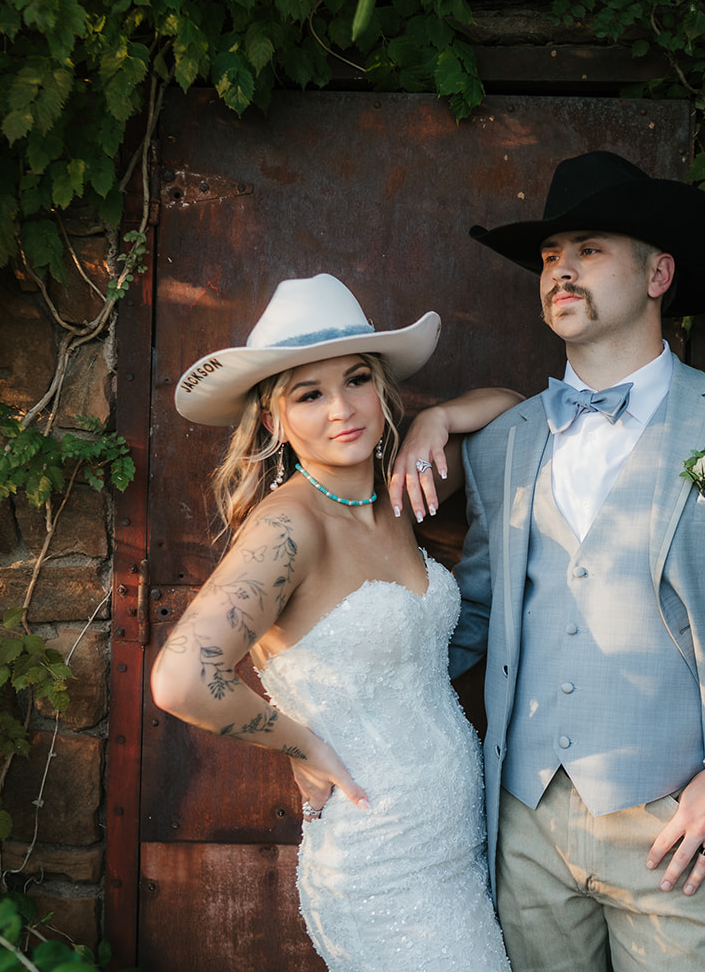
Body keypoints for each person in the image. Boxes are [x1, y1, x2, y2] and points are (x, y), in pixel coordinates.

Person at [447, 151, 705, 971]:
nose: (559, 269)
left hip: (677, 829)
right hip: (527, 826)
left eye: (588, 248)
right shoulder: (502, 446)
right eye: (548, 256)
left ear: (659, 271)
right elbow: (477, 618)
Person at [151, 273, 519, 972]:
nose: (343, 409)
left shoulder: (401, 492)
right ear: (272, 419)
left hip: (453, 849)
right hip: (379, 867)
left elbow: (513, 414)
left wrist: (438, 421)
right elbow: (179, 679)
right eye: (309, 394)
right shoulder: (290, 527)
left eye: (356, 381)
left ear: (382, 389)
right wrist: (300, 745)